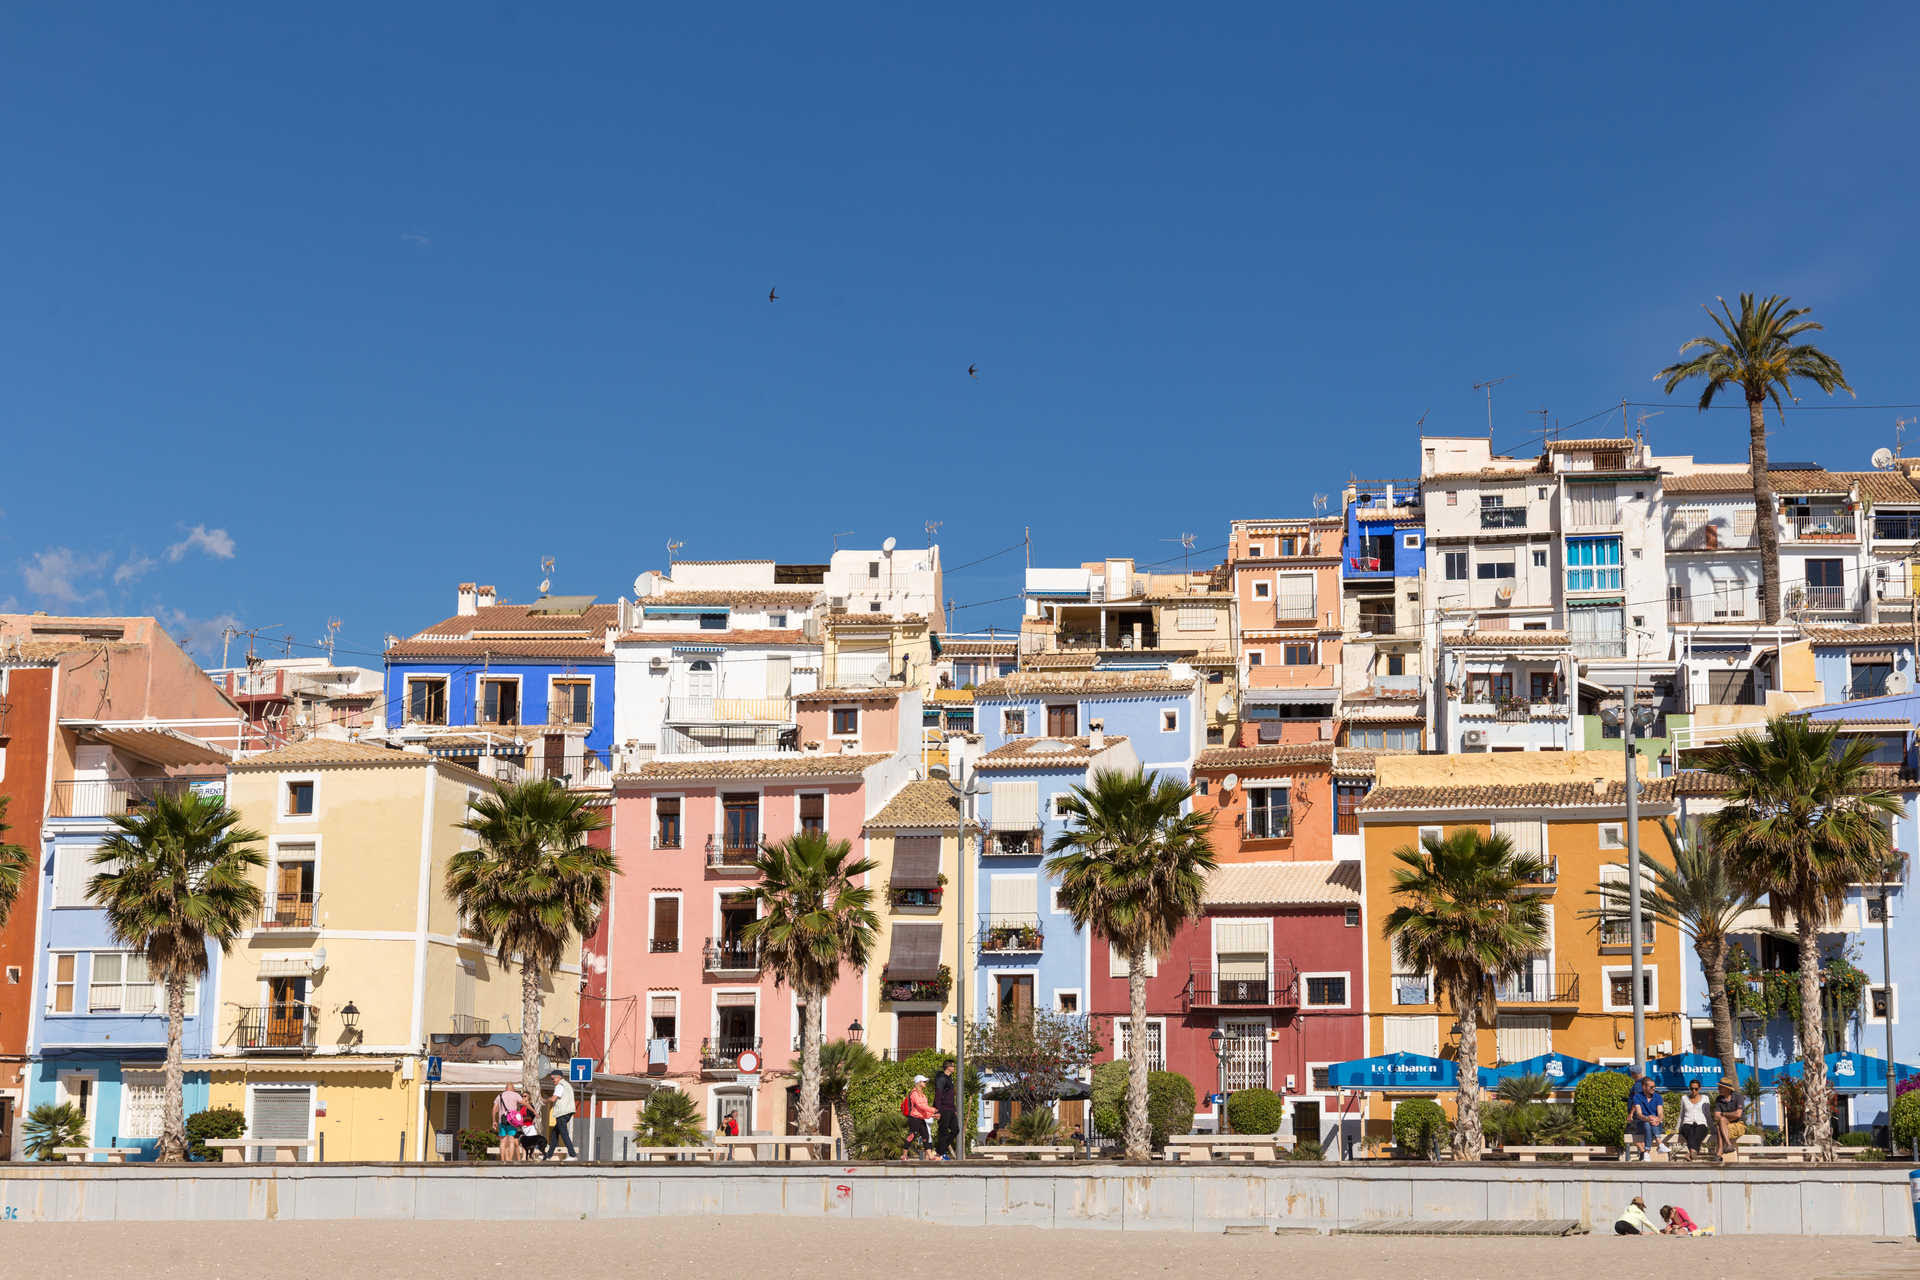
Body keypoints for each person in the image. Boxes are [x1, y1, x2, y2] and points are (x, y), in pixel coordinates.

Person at [902, 1075, 938, 1160]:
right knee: (912, 1135)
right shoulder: (914, 1093)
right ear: (919, 1082)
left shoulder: (923, 1095)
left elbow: (923, 1110)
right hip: (914, 1118)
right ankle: (904, 1155)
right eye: (924, 1081)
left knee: (926, 1136)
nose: (925, 1083)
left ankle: (930, 1156)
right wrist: (933, 1110)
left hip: (921, 1118)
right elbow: (920, 1106)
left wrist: (932, 1115)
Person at [545, 1069, 578, 1161]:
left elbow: (553, 1099)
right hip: (568, 1111)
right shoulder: (567, 1085)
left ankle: (572, 1155)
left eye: (553, 1079)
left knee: (564, 1133)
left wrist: (544, 1100)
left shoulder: (560, 1086)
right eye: (551, 1079)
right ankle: (548, 1156)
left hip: (562, 1112)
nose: (552, 1081)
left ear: (559, 1077)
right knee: (555, 1133)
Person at [1627, 1076, 1663, 1161]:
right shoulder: (1637, 1097)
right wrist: (1648, 1118)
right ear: (1644, 1087)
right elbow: (1639, 1114)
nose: (1653, 1089)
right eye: (1651, 1087)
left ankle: (1646, 1153)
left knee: (1649, 1124)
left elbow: (1661, 1113)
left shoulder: (1658, 1097)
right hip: (1642, 1123)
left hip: (1656, 1124)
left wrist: (1658, 1119)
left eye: (1654, 1087)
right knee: (1646, 1124)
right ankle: (1659, 1144)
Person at [1711, 1078, 1745, 1161]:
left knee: (1720, 1124)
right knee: (1721, 1121)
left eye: (1721, 1087)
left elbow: (1738, 1115)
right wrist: (1730, 1116)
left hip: (1739, 1125)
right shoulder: (1719, 1099)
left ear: (1727, 1089)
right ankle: (1728, 1144)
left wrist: (1724, 1114)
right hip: (1726, 1125)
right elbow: (1716, 1116)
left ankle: (1720, 1152)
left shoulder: (1738, 1097)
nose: (1718, 1088)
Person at [1677, 1080, 1711, 1160]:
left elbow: (1708, 1115)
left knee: (1700, 1130)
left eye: (1696, 1089)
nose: (1693, 1091)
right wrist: (1677, 1128)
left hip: (1701, 1124)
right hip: (1687, 1123)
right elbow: (1681, 1114)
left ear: (1699, 1088)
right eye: (1692, 1088)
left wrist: (1713, 1129)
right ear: (1689, 1088)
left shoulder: (1705, 1098)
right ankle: (1693, 1152)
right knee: (1689, 1130)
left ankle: (1691, 1153)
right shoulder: (1684, 1098)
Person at [933, 1061, 959, 1160]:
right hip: (943, 1109)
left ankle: (940, 1151)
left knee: (955, 1130)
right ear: (948, 1067)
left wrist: (954, 1109)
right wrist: (937, 1110)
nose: (954, 1068)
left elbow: (950, 1096)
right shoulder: (941, 1078)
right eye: (953, 1066)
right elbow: (938, 1095)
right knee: (943, 1132)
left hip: (951, 1109)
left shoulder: (949, 1078)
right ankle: (941, 1154)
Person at [492, 1084, 524, 1163]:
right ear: (512, 1088)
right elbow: (524, 1103)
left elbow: (494, 1109)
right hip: (512, 1121)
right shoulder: (515, 1095)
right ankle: (509, 1160)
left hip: (502, 1121)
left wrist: (494, 1120)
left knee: (502, 1142)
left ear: (506, 1088)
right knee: (511, 1141)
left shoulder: (499, 1096)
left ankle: (502, 1160)